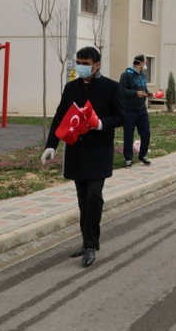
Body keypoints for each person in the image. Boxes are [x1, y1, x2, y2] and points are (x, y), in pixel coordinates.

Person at [41, 46, 125, 268]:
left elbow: (121, 117)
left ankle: (89, 245)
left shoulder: (111, 87)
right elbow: (60, 117)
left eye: (85, 63)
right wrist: (51, 145)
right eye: (78, 62)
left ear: (96, 65)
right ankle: (89, 241)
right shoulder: (71, 88)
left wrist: (100, 124)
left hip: (99, 152)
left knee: (93, 197)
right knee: (83, 202)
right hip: (77, 153)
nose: (81, 67)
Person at [119, 54, 152, 168]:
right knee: (128, 134)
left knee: (146, 133)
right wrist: (135, 93)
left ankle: (142, 155)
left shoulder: (142, 75)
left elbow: (143, 87)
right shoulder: (127, 75)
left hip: (142, 109)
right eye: (145, 62)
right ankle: (128, 159)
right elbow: (121, 90)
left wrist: (148, 93)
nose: (146, 65)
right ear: (140, 63)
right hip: (129, 110)